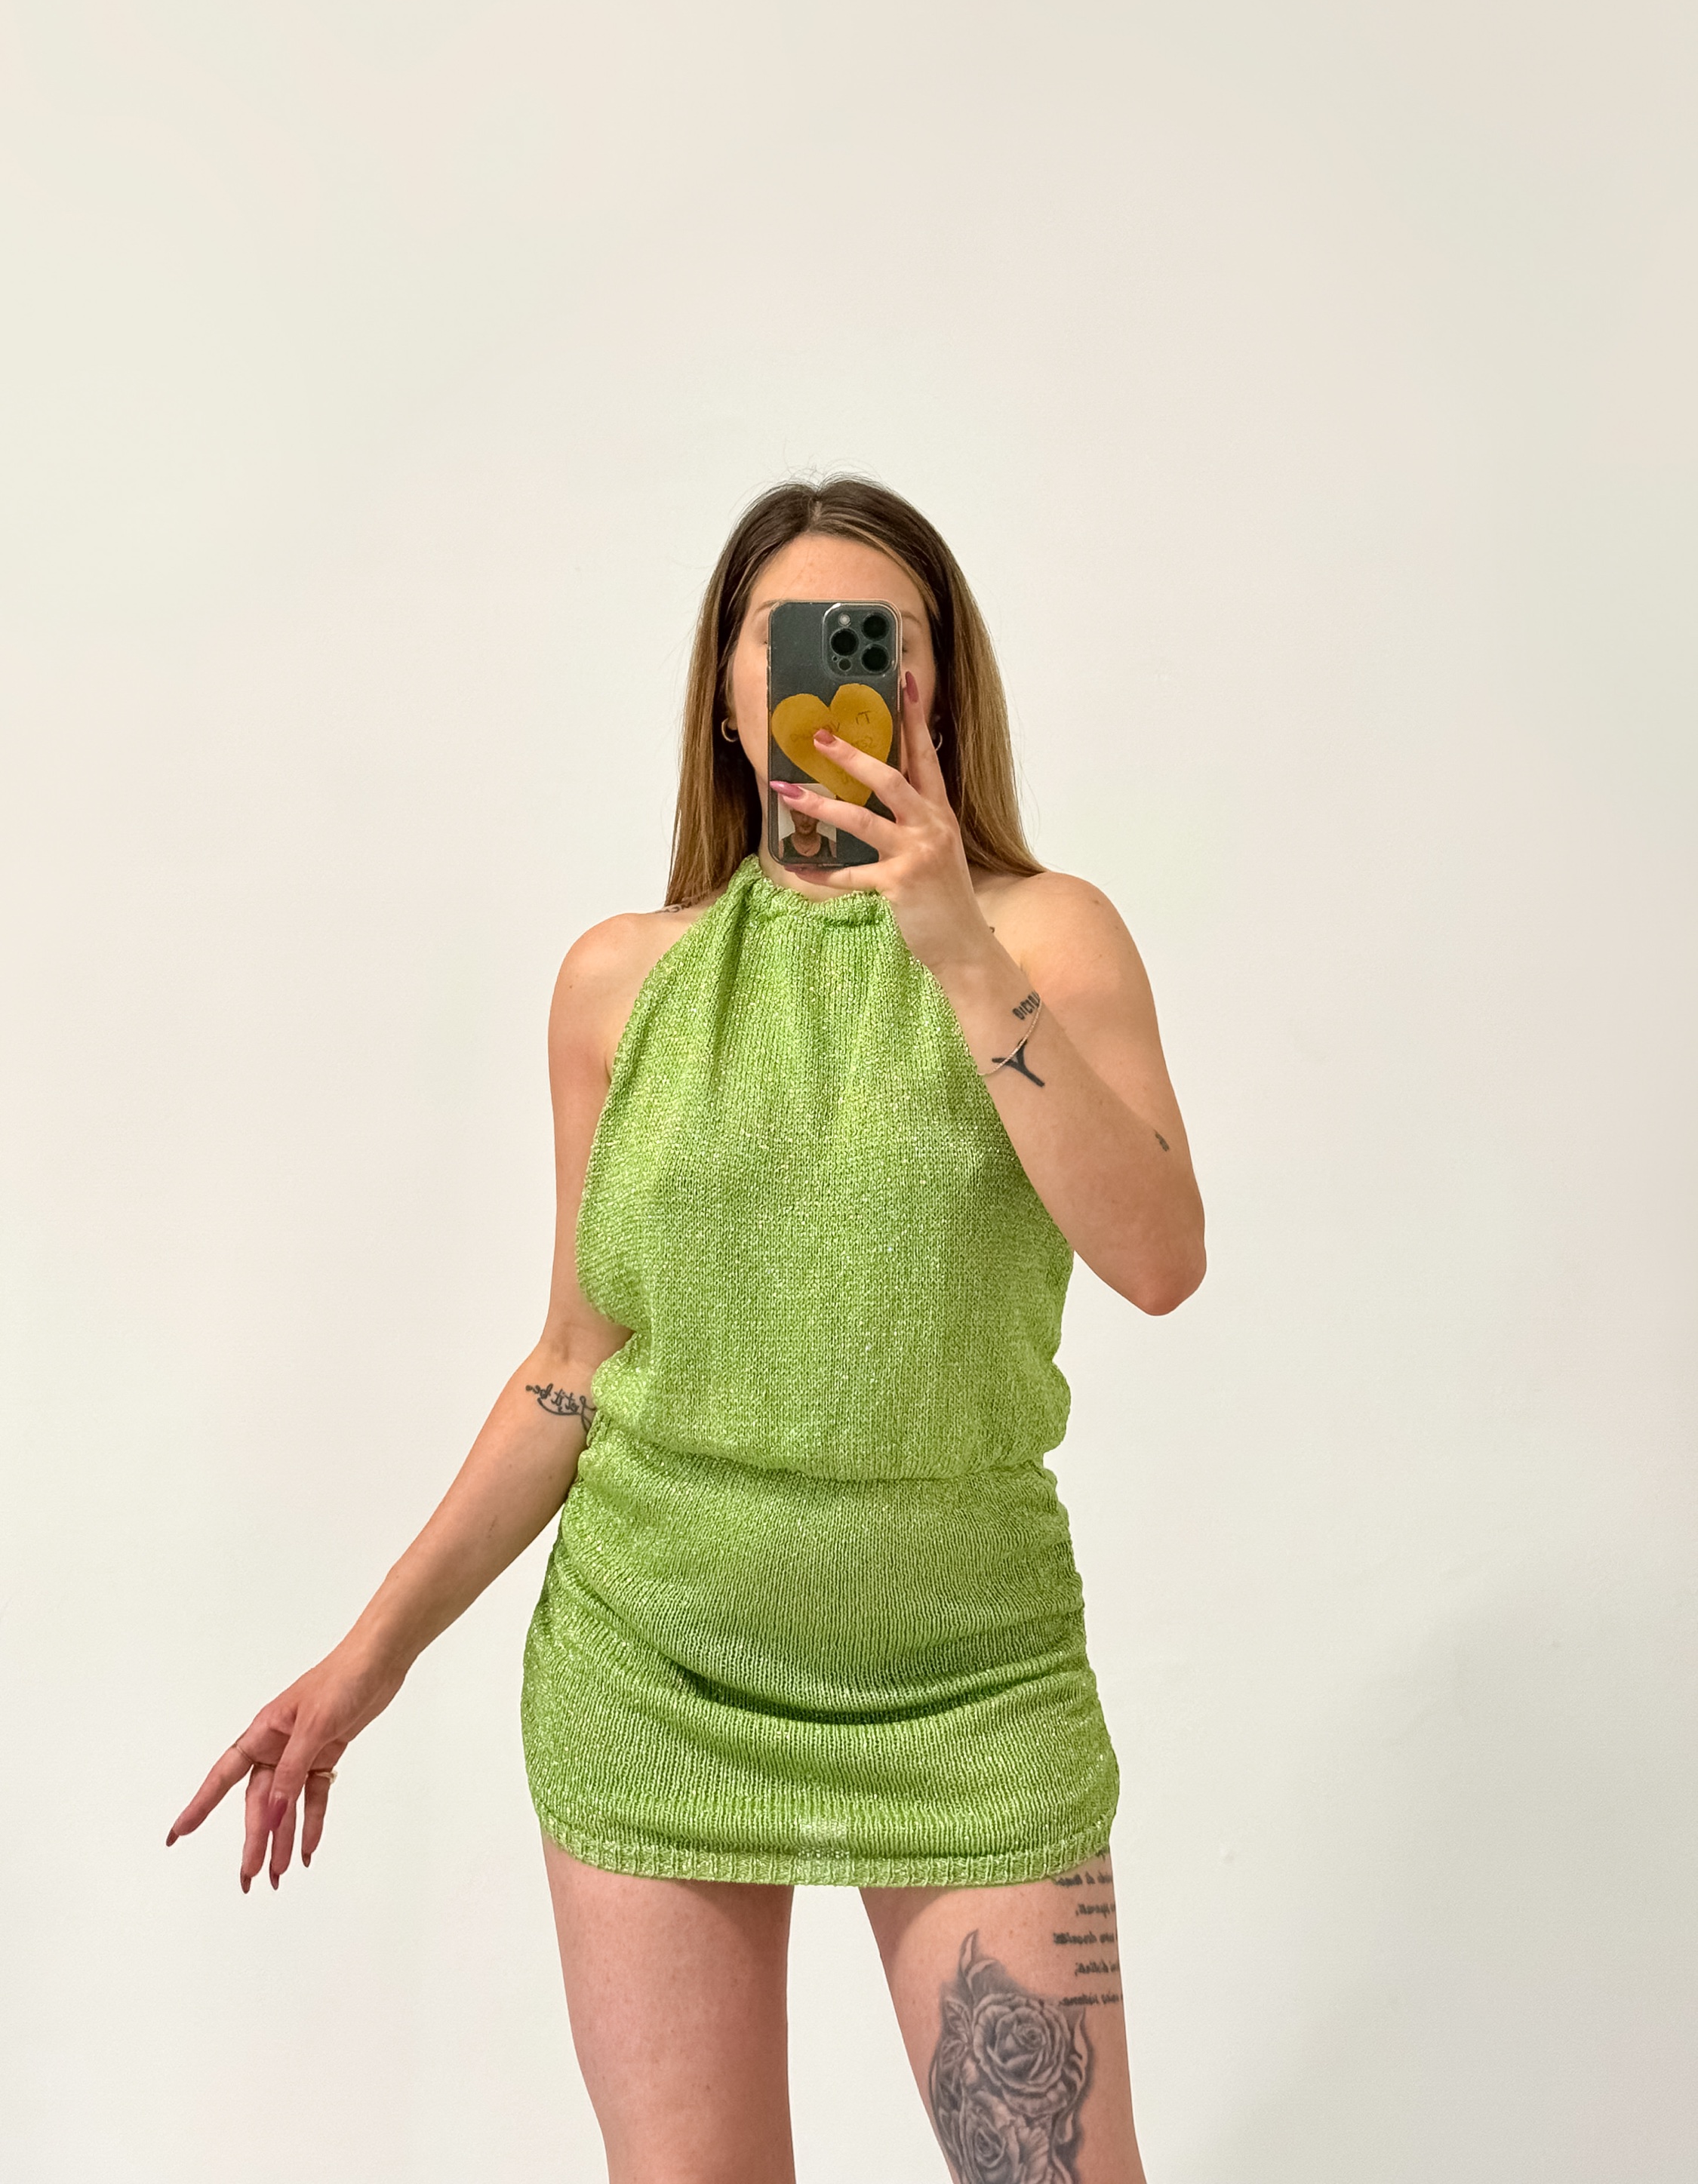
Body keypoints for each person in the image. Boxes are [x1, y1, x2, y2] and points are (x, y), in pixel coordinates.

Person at [168, 475, 1206, 2183]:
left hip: (971, 1680)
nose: (836, 675)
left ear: (940, 685)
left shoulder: (1047, 938)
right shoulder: (619, 982)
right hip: (653, 1672)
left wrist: (952, 944)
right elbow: (574, 1367)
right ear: (728, 693)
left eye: (881, 641)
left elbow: (1159, 1259)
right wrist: (367, 1662)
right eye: (787, 639)